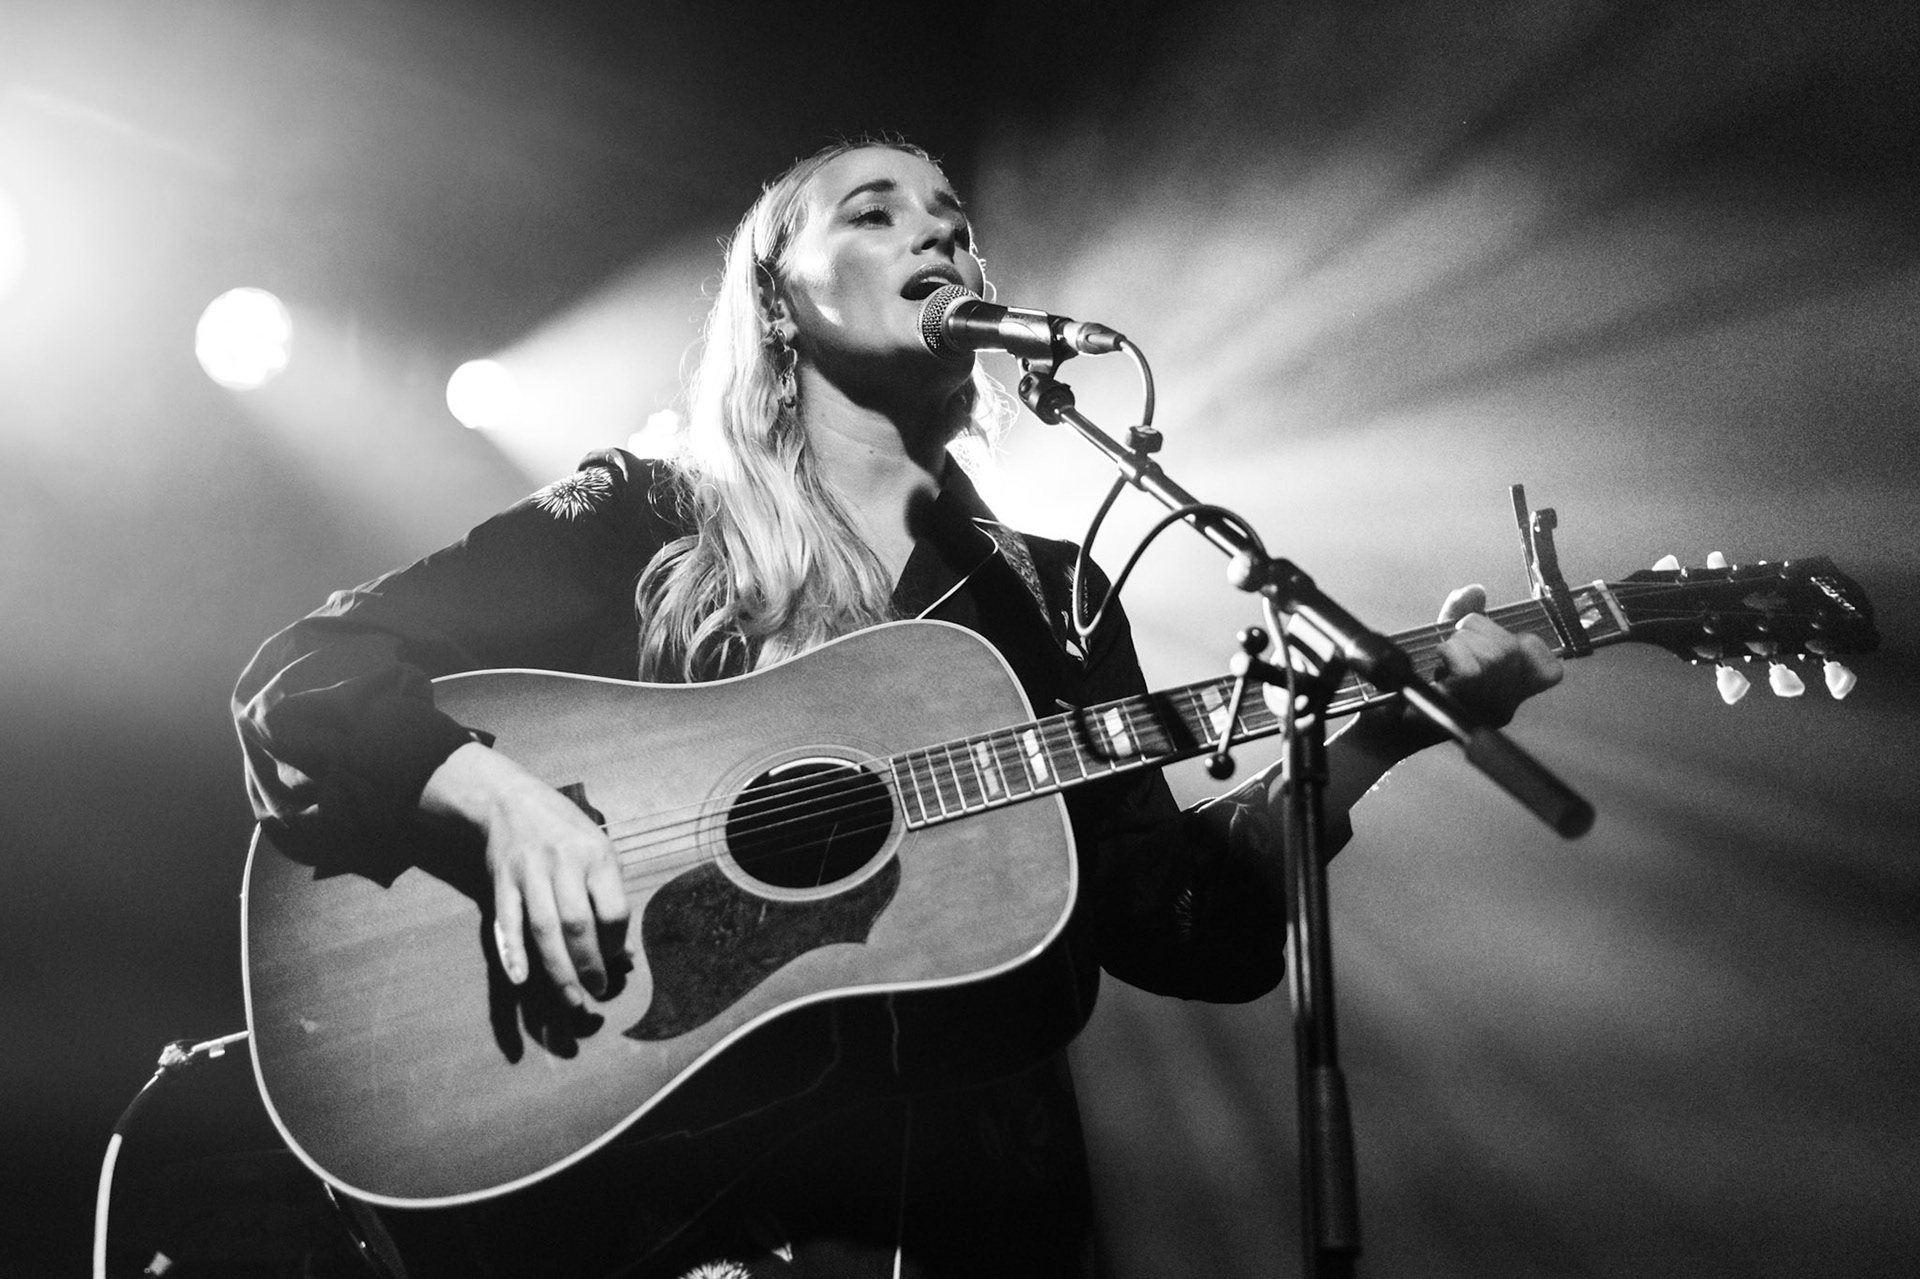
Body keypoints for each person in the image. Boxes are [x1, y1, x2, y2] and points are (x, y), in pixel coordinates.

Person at [234, 138, 1561, 1278]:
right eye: (875, 213)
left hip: (962, 1215)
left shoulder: (1054, 599)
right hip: (659, 1206)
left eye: (956, 225)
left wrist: (1375, 739)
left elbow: (1180, 926)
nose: (939, 238)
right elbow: (308, 671)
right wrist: (485, 793)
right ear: (777, 297)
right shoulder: (642, 518)